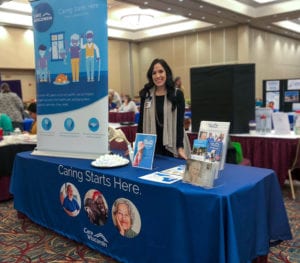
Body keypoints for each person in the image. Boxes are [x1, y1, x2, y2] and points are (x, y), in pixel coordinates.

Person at [137, 58, 189, 159]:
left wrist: (180, 147)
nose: (157, 76)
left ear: (167, 73)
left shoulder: (177, 94)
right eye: (154, 73)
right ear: (151, 76)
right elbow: (141, 122)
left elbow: (179, 123)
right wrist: (137, 145)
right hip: (152, 147)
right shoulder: (146, 95)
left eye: (161, 71)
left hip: (173, 145)